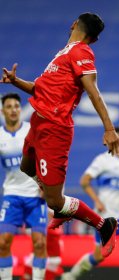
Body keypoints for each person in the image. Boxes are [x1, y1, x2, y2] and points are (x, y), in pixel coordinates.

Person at [1, 13, 119, 258]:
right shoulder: (64, 52)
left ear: (75, 24)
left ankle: (103, 225)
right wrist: (16, 82)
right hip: (38, 121)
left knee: (54, 202)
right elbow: (40, 88)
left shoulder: (82, 52)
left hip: (55, 129)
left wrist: (109, 128)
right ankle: (64, 207)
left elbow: (93, 91)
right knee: (26, 166)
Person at [61, 127, 119, 280]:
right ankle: (72, 275)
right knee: (99, 256)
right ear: (112, 141)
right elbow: (84, 181)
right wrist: (97, 201)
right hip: (105, 217)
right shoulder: (102, 160)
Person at [0, 93, 47, 280]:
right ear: (3, 111)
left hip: (35, 195)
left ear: (21, 109)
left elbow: (47, 158)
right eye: (9, 106)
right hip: (12, 195)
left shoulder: (32, 131)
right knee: (3, 243)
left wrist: (48, 186)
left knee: (40, 243)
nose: (13, 110)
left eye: (16, 106)